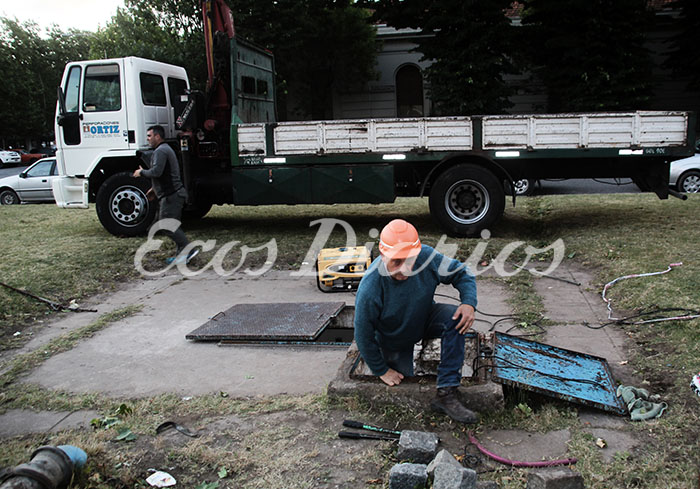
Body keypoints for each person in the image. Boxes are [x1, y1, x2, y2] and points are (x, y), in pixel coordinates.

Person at [354, 219, 478, 423]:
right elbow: (362, 334)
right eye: (396, 262)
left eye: (409, 260)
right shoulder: (371, 286)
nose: (404, 268)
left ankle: (446, 392)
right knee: (401, 382)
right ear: (383, 255)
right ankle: (394, 362)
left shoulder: (426, 257)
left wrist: (469, 303)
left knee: (456, 318)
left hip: (423, 316)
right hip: (393, 337)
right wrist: (381, 370)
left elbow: (462, 273)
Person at [133, 125, 198, 265]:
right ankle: (181, 256)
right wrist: (154, 189)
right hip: (172, 194)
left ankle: (189, 250)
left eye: (150, 136)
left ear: (157, 136)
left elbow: (157, 172)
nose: (148, 139)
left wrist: (142, 172)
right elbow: (165, 175)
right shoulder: (164, 149)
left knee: (167, 225)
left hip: (171, 195)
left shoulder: (161, 151)